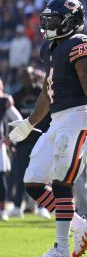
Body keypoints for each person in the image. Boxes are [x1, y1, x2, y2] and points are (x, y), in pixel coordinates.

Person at [8, 0, 87, 257]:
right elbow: (48, 94)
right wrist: (29, 123)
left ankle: (62, 249)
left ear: (71, 21)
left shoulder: (80, 44)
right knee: (33, 181)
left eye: (55, 19)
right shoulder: (49, 48)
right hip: (58, 119)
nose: (49, 23)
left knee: (62, 182)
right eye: (47, 18)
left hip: (77, 117)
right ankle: (80, 225)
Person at [7, 68, 51, 219]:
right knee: (20, 174)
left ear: (33, 77)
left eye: (27, 76)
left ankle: (43, 207)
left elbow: (50, 116)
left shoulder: (42, 92)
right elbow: (11, 120)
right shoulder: (17, 95)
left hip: (41, 140)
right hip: (23, 141)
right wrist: (12, 140)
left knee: (42, 175)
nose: (25, 79)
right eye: (22, 77)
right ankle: (18, 205)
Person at [0, 78, 22, 220]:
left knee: (0, 179)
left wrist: (10, 138)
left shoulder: (3, 102)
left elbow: (18, 120)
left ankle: (2, 210)